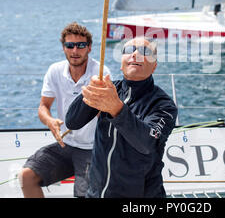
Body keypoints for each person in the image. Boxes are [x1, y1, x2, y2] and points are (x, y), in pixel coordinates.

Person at [66, 37, 178, 198]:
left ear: (154, 66)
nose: (135, 54)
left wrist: (116, 109)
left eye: (144, 51)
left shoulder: (164, 105)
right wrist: (91, 91)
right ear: (121, 63)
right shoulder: (109, 91)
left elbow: (147, 143)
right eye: (128, 50)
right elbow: (72, 122)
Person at [19, 22, 111, 198]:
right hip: (65, 144)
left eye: (81, 45)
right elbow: (43, 107)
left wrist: (101, 102)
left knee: (85, 195)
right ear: (63, 48)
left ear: (89, 48)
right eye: (70, 45)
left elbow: (108, 113)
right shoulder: (55, 71)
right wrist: (50, 121)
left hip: (93, 148)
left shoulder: (100, 73)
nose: (75, 51)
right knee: (26, 176)